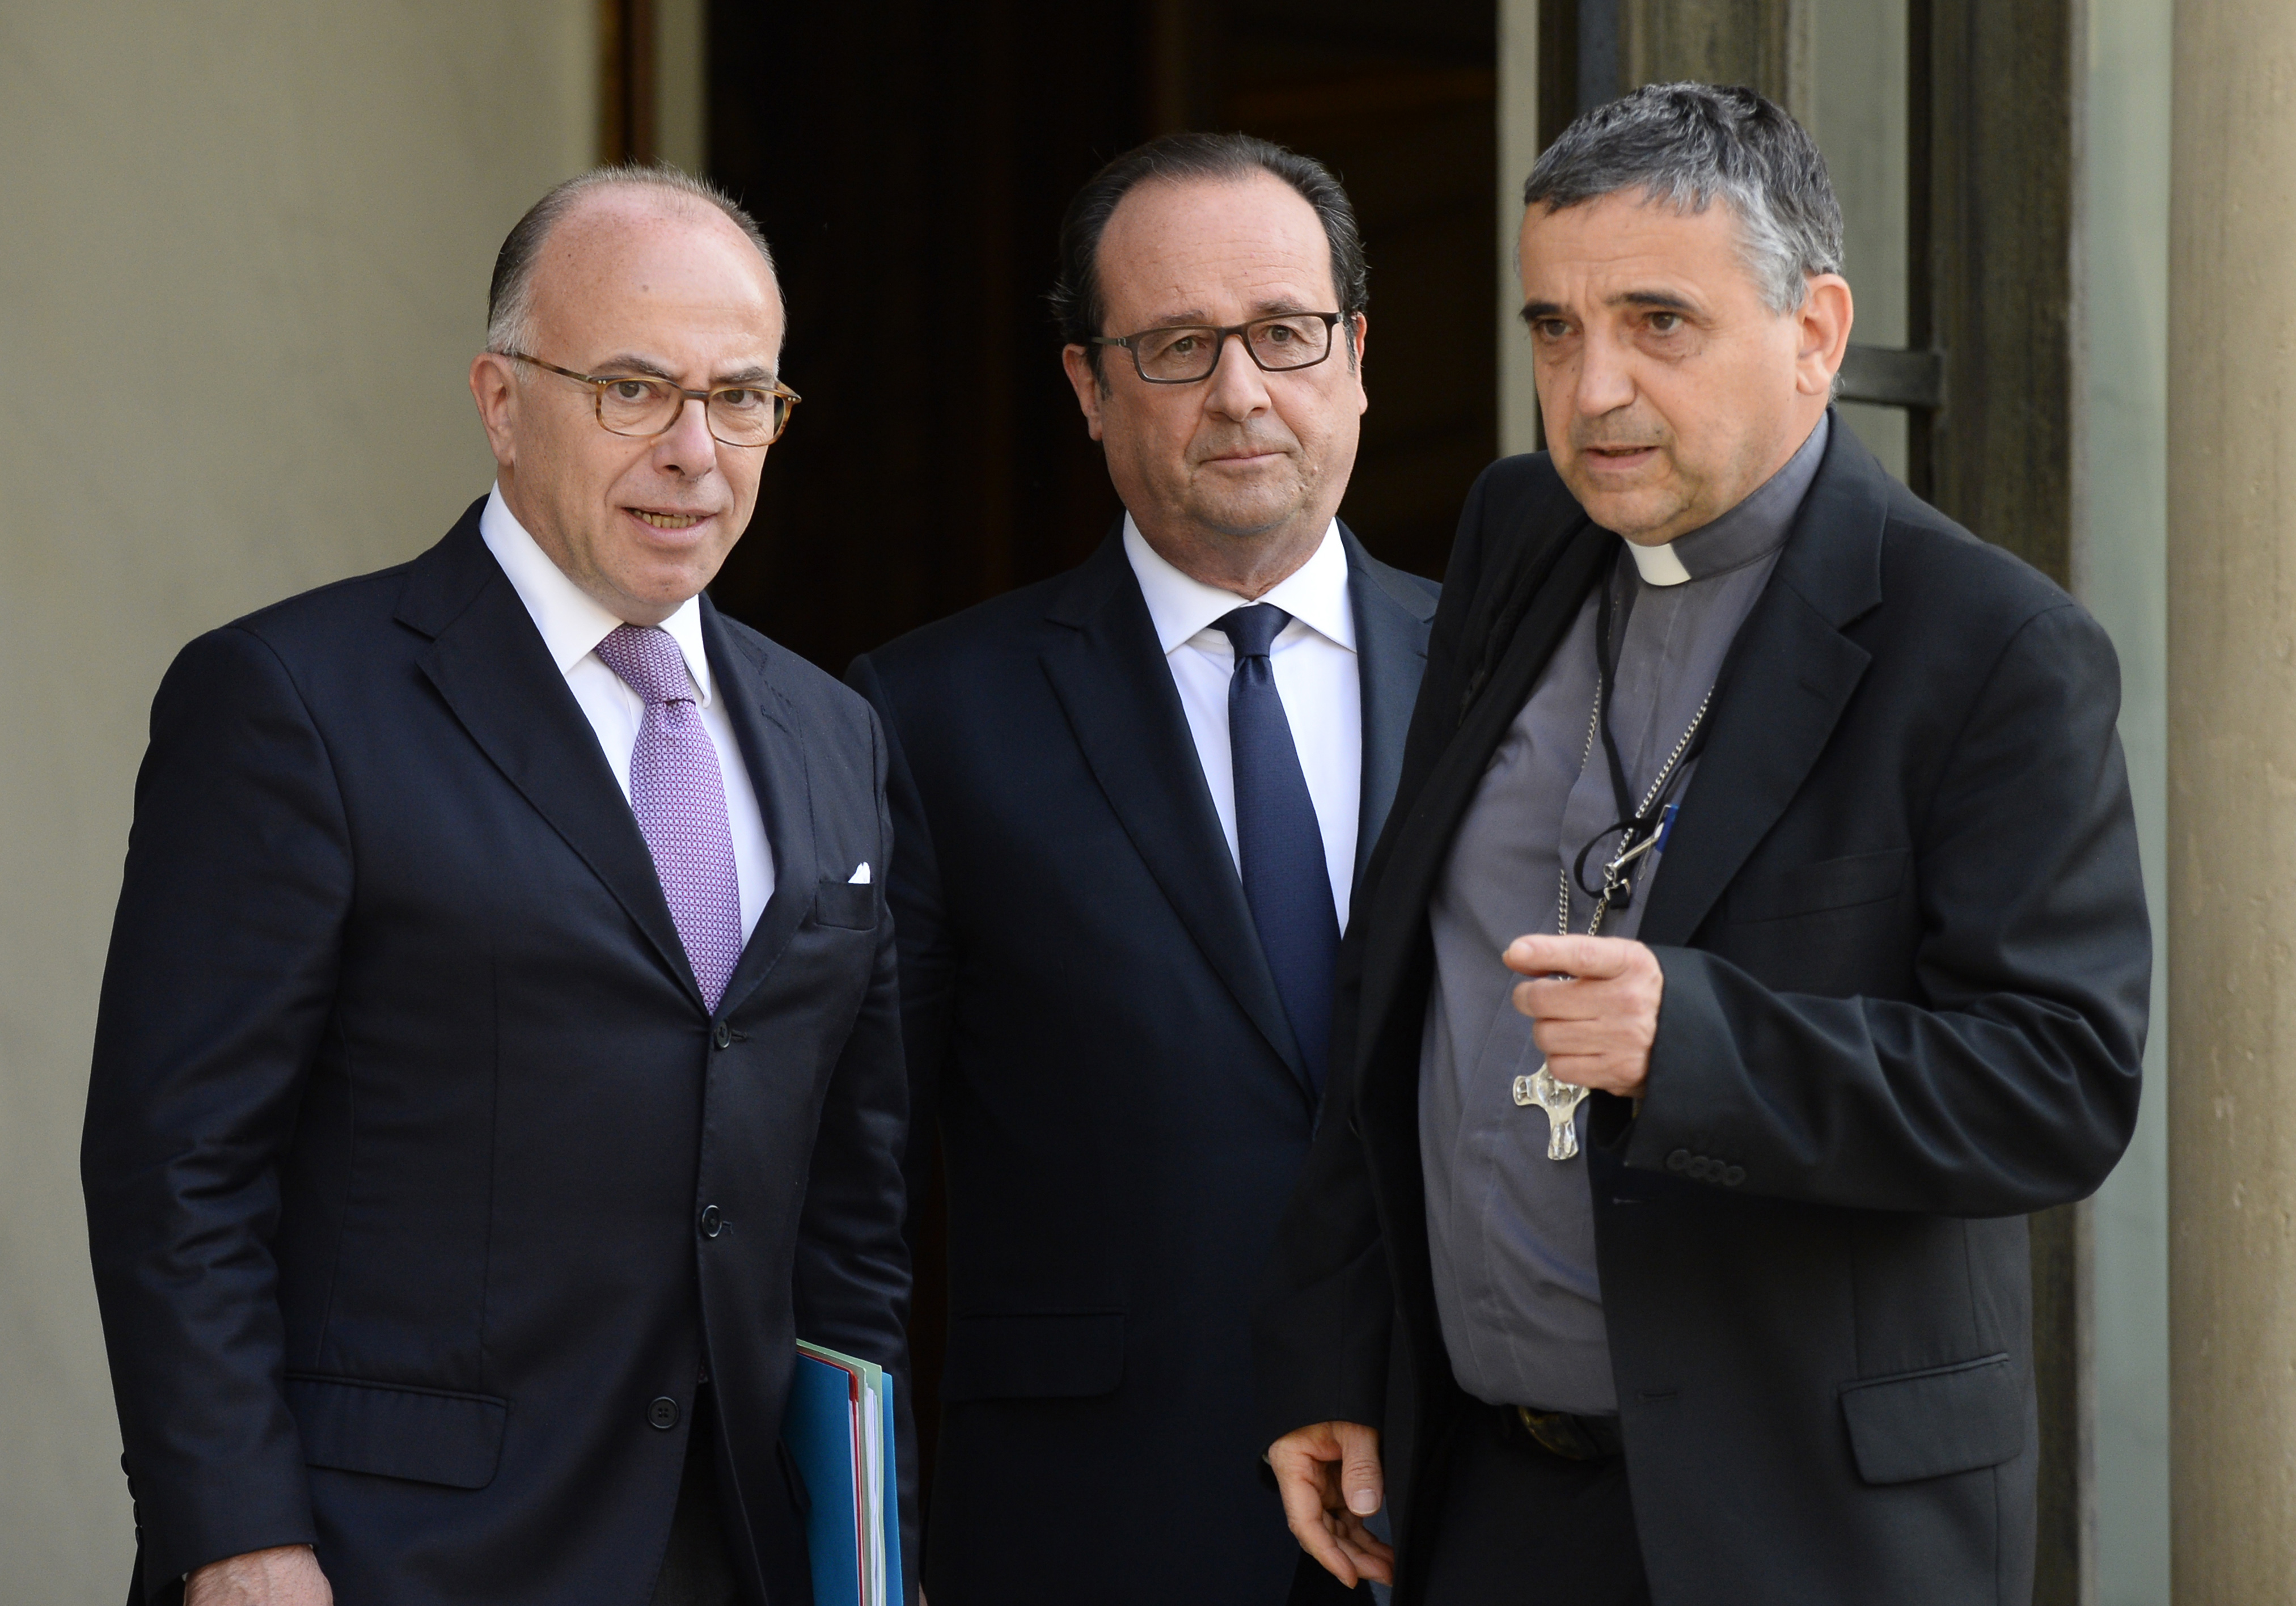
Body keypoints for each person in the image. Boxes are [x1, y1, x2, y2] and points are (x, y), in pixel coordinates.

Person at [1257, 83, 2151, 1605]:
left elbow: (2058, 1086)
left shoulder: (1994, 647)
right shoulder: (1518, 529)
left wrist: (1698, 1042)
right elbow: (1402, 978)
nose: (1594, 390)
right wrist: (1341, 1351)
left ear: (1816, 331)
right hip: (1478, 1500)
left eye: (1658, 323)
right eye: (1554, 329)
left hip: (1799, 1528)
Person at [82, 165, 914, 1606]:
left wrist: (866, 1537)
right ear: (501, 397)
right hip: (386, 1557)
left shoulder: (832, 731)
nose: (695, 453)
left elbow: (851, 1194)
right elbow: (178, 1170)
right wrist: (234, 1532)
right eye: (635, 390)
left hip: (739, 1551)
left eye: (741, 398)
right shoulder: (292, 702)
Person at [845, 133, 1437, 1604]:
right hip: (1085, 1526)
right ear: (1088, 389)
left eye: (1285, 336)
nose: (1242, 391)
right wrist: (877, 1554)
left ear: (1357, 356)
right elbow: (850, 1191)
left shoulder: (1522, 681)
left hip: (1467, 1505)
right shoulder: (927, 716)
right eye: (1178, 348)